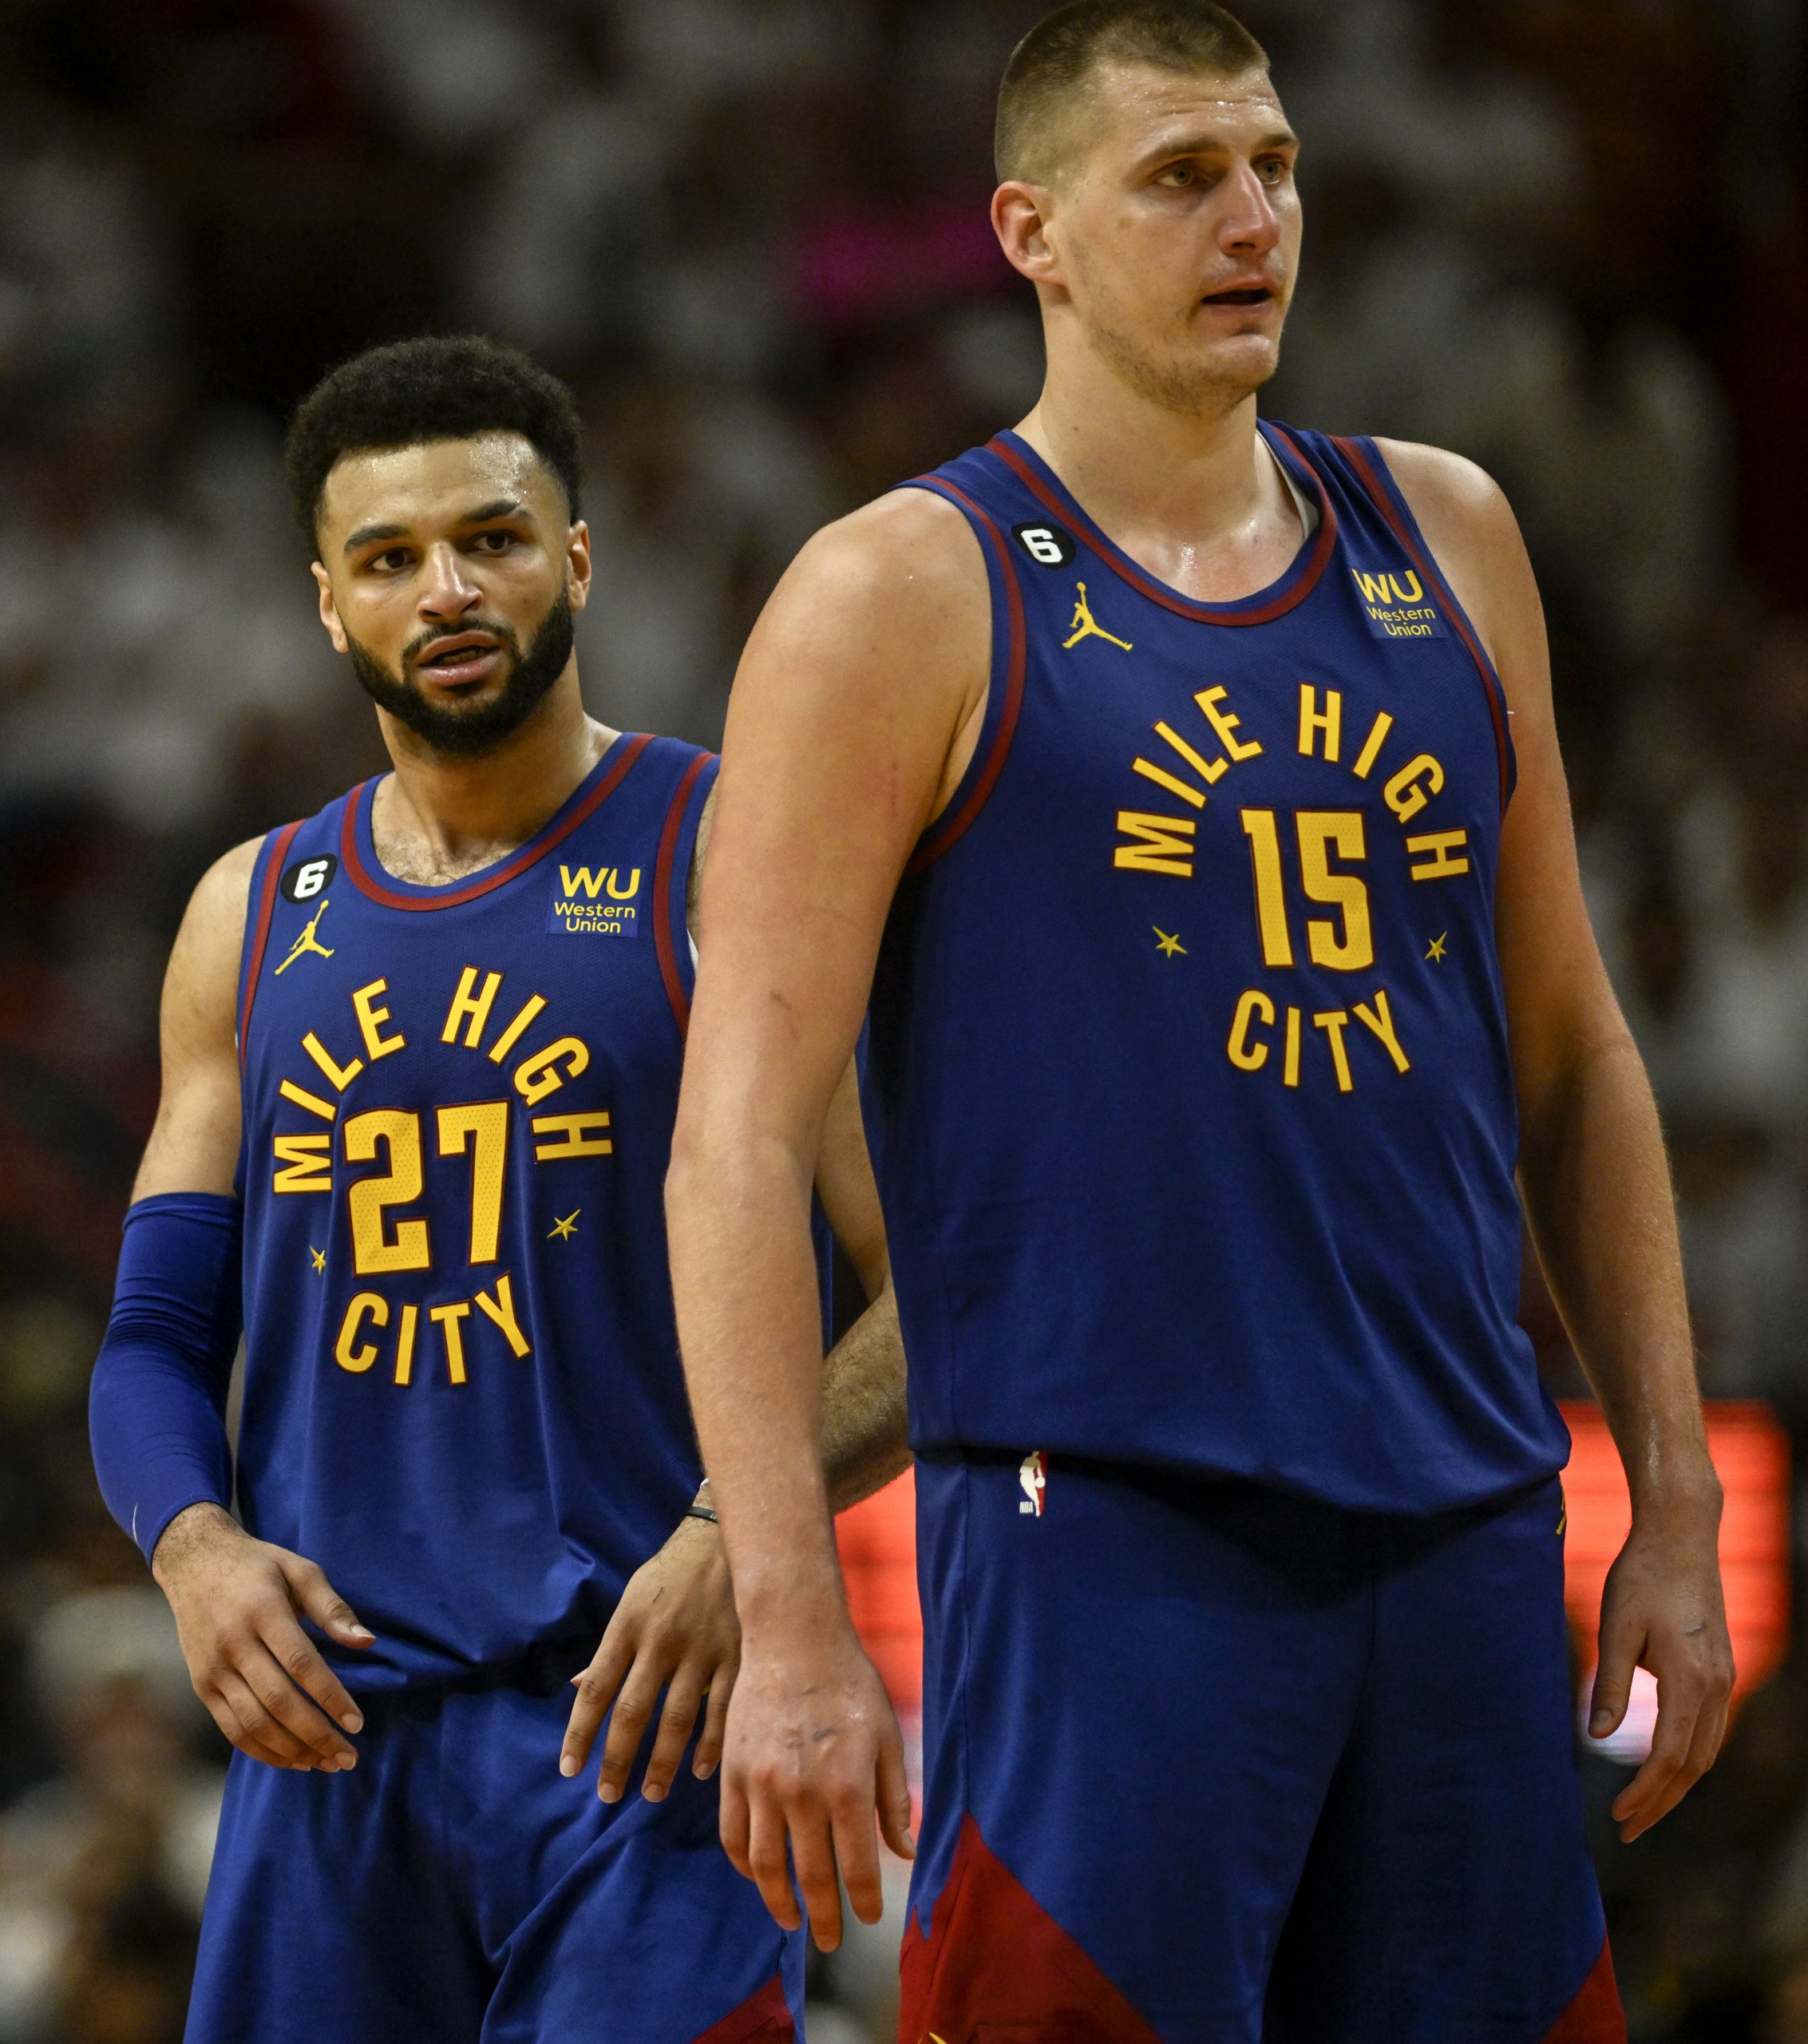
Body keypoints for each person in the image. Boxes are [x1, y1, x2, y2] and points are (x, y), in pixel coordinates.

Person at [663, 4, 1734, 2038]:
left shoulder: (1450, 532)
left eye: (1276, 167)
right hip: (1110, 1542)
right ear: (1032, 233)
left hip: (1468, 1518)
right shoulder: (898, 589)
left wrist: (1668, 1492)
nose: (1252, 217)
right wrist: (792, 1610)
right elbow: (732, 1137)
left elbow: (1578, 1050)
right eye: (1181, 177)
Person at [87, 335, 909, 2044]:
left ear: (580, 558)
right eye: (388, 559)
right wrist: (191, 1548)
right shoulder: (251, 913)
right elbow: (157, 1333)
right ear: (327, 605)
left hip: (643, 1731)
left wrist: (736, 1532)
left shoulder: (736, 856)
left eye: (494, 537)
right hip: (332, 1747)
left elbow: (944, 1291)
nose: (446, 588)